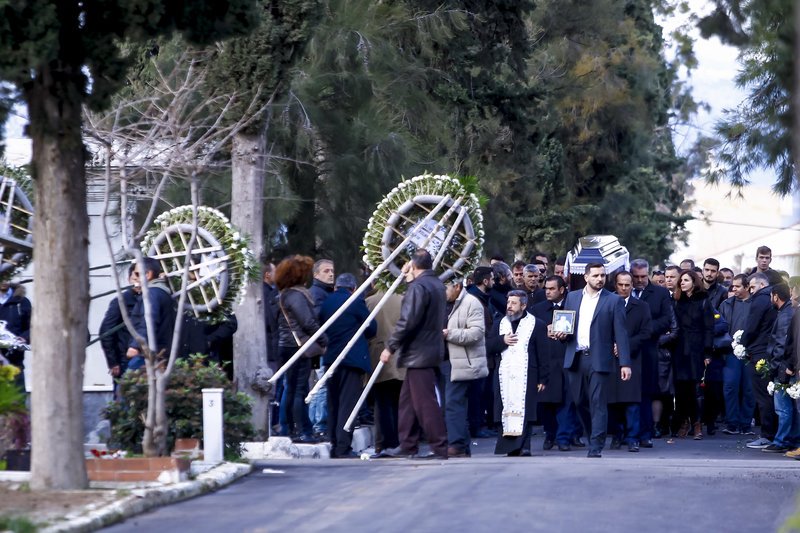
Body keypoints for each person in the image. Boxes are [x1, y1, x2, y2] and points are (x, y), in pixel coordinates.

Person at [553, 263, 631, 458]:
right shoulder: (571, 297)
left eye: (603, 275)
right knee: (579, 401)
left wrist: (625, 363)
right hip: (576, 356)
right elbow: (566, 326)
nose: (600, 279)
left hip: (600, 358)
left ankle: (596, 445)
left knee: (597, 402)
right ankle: (594, 434)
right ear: (586, 277)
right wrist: (561, 334)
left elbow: (621, 333)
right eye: (596, 275)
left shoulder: (613, 300)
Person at [380, 250, 449, 459]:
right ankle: (407, 444)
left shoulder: (419, 287)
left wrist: (390, 347)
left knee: (425, 402)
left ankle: (439, 445)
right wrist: (410, 280)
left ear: (413, 265)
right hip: (428, 349)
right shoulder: (435, 284)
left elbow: (408, 319)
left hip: (418, 352)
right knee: (408, 402)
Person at [320, 273, 377, 458]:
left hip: (330, 359)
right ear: (353, 288)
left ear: (336, 286)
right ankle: (343, 447)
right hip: (351, 359)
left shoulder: (326, 302)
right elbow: (371, 328)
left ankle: (334, 443)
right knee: (348, 404)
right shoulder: (355, 301)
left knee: (333, 402)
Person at [487, 290, 548, 456]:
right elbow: (488, 346)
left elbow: (543, 354)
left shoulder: (537, 324)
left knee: (525, 410)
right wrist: (502, 341)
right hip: (504, 374)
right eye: (508, 303)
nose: (509, 306)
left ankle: (524, 446)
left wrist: (543, 378)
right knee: (504, 408)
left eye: (514, 303)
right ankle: (509, 448)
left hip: (528, 374)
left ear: (523, 305)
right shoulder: (500, 323)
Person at [275, 255, 328, 444]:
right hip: (299, 346)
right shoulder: (296, 295)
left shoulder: (285, 294)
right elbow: (307, 322)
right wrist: (323, 340)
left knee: (292, 389)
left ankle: (290, 429)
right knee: (298, 390)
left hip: (288, 345)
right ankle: (300, 431)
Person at [532, 275, 583, 452]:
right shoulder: (537, 309)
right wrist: (543, 330)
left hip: (567, 359)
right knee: (546, 402)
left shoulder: (573, 307)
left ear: (561, 290)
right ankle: (550, 434)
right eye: (546, 288)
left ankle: (564, 438)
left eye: (552, 289)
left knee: (568, 402)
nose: (547, 292)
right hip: (546, 361)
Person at [442, 277, 488, 457]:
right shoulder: (445, 303)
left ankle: (457, 444)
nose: (443, 292)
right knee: (451, 404)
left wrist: (449, 334)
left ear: (457, 286)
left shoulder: (471, 303)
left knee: (454, 403)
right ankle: (460, 444)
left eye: (446, 288)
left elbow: (477, 333)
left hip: (463, 362)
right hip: (446, 360)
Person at [629, 259, 673, 445]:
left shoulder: (660, 293)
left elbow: (666, 320)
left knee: (647, 392)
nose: (640, 280)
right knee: (628, 393)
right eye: (636, 277)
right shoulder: (623, 291)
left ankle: (646, 433)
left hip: (649, 348)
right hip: (627, 349)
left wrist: (645, 329)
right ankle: (627, 433)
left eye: (643, 276)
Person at [608, 271, 652, 452]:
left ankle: (632, 437)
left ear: (632, 285)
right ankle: (617, 435)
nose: (624, 288)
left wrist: (625, 346)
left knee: (632, 401)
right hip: (610, 358)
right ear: (615, 285)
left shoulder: (641, 306)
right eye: (621, 285)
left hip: (633, 358)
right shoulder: (608, 304)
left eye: (627, 285)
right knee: (613, 400)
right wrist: (612, 345)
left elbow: (646, 332)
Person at [671, 269, 714, 439]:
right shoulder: (676, 301)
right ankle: (683, 422)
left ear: (694, 282)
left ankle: (697, 424)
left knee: (696, 389)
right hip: (679, 348)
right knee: (681, 389)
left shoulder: (703, 301)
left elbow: (709, 329)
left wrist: (707, 353)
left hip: (697, 349)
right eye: (681, 280)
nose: (682, 283)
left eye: (686, 280)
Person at [365, 290, 405, 454]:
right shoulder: (404, 299)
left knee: (381, 403)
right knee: (399, 403)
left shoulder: (369, 301)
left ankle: (383, 442)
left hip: (377, 355)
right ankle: (399, 440)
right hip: (400, 355)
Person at [743, 272, 778, 449]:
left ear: (762, 285)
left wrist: (742, 343)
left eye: (752, 287)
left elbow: (752, 326)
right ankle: (774, 433)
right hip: (770, 351)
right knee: (770, 394)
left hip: (758, 351)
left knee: (762, 396)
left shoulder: (760, 299)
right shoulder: (773, 299)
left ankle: (767, 435)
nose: (751, 291)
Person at [719, 273, 755, 435]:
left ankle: (746, 423)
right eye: (733, 286)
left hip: (750, 353)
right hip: (730, 352)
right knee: (730, 386)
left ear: (747, 287)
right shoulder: (726, 304)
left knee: (749, 389)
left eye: (738, 286)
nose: (734, 289)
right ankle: (732, 422)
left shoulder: (757, 304)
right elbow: (718, 326)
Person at [126, 258, 176, 371]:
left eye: (137, 274)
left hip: (147, 354)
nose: (135, 278)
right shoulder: (161, 292)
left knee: (127, 386)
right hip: (160, 352)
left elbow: (149, 321)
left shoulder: (151, 294)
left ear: (148, 274)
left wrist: (135, 346)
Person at [763, 284, 796, 453]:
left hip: (783, 367)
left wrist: (774, 367)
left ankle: (782, 440)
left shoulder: (786, 315)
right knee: (790, 407)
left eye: (771, 296)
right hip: (787, 366)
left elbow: (781, 344)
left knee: (783, 408)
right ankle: (792, 439)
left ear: (775, 296)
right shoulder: (787, 312)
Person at [99, 265, 139, 385]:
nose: (138, 282)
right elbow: (106, 331)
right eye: (135, 278)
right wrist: (113, 362)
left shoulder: (151, 299)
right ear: (129, 280)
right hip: (124, 358)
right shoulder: (121, 302)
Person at [308, 259, 334, 438]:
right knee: (323, 384)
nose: (331, 274)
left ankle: (317, 423)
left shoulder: (323, 292)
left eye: (332, 271)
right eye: (326, 271)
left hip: (323, 345)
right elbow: (317, 320)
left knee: (321, 384)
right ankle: (319, 424)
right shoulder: (318, 294)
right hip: (322, 346)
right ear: (316, 274)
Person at [0, 280, 31, 389]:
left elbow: (32, 327)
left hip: (15, 363)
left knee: (17, 401)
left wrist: (24, 337)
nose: (3, 281)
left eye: (6, 277)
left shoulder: (22, 302)